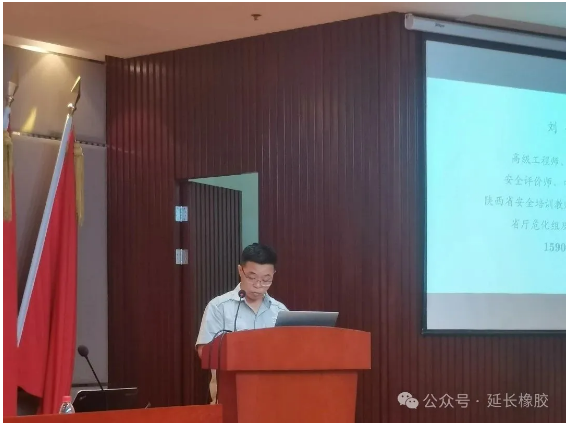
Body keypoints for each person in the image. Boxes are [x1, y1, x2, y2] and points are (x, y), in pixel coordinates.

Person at [195, 243, 288, 403]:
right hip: (230, 396)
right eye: (252, 278)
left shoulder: (280, 311)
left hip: (273, 397)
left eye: (266, 280)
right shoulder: (219, 307)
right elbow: (205, 352)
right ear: (240, 270)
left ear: (273, 274)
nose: (258, 285)